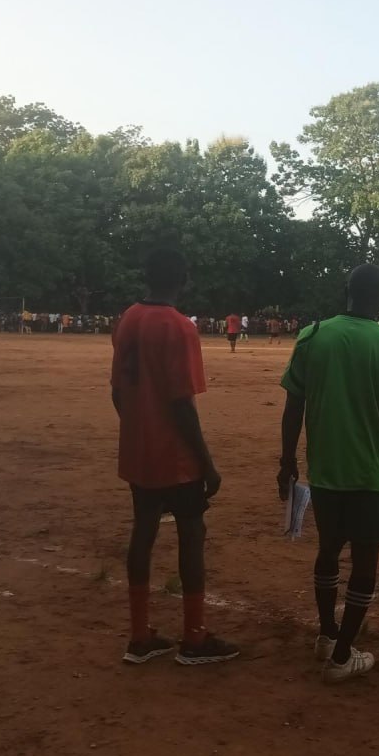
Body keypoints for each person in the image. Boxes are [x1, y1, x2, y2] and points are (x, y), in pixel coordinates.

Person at [277, 264, 379, 682]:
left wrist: (287, 460)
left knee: (328, 549)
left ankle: (327, 633)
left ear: (346, 291)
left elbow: (293, 407)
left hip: (325, 469)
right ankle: (341, 656)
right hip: (371, 471)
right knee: (365, 561)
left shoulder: (313, 336)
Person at [111, 248, 239, 666]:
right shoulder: (179, 327)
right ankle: (194, 638)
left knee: (142, 531)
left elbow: (117, 390)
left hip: (137, 451)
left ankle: (139, 636)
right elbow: (182, 404)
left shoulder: (128, 318)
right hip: (176, 458)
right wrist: (207, 462)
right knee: (191, 536)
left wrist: (136, 428)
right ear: (182, 278)